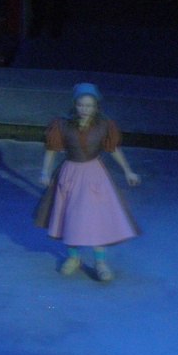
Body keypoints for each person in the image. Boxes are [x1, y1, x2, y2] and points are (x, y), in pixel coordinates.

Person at [35, 83, 141, 282]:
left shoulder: (104, 125)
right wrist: (45, 171)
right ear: (75, 104)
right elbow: (51, 150)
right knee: (71, 217)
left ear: (96, 106)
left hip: (94, 175)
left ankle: (100, 262)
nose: (85, 109)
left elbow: (114, 149)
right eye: (81, 105)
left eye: (89, 106)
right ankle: (74, 258)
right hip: (71, 174)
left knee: (95, 219)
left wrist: (128, 171)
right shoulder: (62, 124)